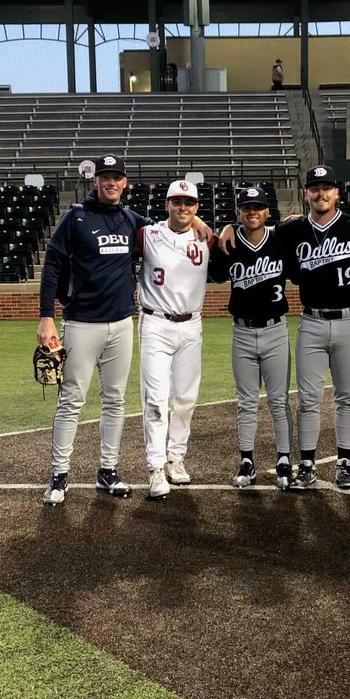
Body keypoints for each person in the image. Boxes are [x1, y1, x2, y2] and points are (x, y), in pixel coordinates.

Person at [37, 155, 210, 506]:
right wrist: (46, 317)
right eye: (105, 177)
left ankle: (108, 470)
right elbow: (53, 264)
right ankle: (59, 474)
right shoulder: (76, 217)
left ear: (125, 182)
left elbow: (173, 226)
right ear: (96, 180)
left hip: (121, 322)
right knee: (72, 399)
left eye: (117, 177)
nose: (111, 183)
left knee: (115, 401)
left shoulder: (134, 222)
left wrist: (201, 222)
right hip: (81, 320)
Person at [279, 165, 350, 489]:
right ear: (306, 193)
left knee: (347, 396)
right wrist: (228, 228)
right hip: (312, 322)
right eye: (314, 187)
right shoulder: (292, 232)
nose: (321, 193)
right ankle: (306, 463)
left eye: (327, 187)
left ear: (337, 193)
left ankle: (344, 462)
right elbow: (257, 233)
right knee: (308, 398)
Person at [136, 179, 218, 500]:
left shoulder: (205, 239)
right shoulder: (148, 234)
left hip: (191, 324)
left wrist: (209, 227)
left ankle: (176, 457)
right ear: (167, 204)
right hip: (155, 323)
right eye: (177, 202)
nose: (183, 208)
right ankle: (155, 466)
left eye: (189, 203)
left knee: (185, 398)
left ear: (197, 207)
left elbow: (231, 240)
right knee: (156, 399)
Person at [209, 186, 294, 491]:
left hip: (275, 329)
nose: (252, 212)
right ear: (239, 212)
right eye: (247, 208)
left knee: (278, 400)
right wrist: (224, 231)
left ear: (267, 212)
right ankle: (247, 460)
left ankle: (284, 459)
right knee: (246, 402)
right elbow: (216, 274)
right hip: (242, 332)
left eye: (258, 207)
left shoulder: (281, 239)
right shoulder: (229, 242)